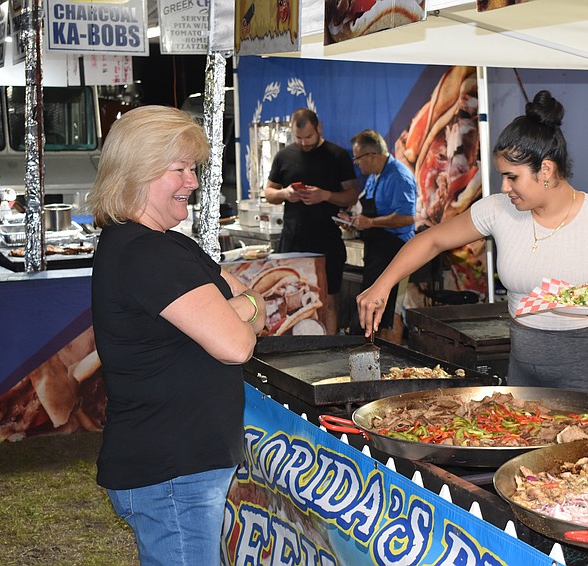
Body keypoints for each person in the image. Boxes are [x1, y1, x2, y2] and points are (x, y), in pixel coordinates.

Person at [357, 91, 588, 400]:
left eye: (512, 177)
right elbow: (432, 240)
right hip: (524, 366)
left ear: (546, 171)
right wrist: (383, 285)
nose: (504, 187)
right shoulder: (499, 210)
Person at [88, 105, 266, 565]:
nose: (193, 181)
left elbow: (247, 301)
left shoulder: (159, 244)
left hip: (176, 466)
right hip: (171, 470)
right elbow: (237, 344)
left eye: (194, 168)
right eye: (180, 169)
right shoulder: (147, 254)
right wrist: (243, 309)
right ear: (138, 172)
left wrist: (238, 308)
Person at [264, 108, 359, 335]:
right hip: (292, 242)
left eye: (309, 137)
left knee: (328, 299)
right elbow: (268, 193)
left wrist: (325, 195)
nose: (304, 143)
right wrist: (286, 194)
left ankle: (329, 351)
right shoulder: (284, 156)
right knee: (288, 299)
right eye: (299, 138)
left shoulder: (337, 155)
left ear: (319, 128)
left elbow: (352, 195)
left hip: (326, 241)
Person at [339, 129, 416, 344]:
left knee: (390, 311)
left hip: (397, 250)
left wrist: (371, 222)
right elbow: (371, 210)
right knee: (374, 307)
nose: (357, 164)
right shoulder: (374, 177)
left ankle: (395, 360)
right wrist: (355, 222)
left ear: (371, 155)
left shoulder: (399, 176)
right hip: (377, 251)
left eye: (358, 159)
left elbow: (407, 218)